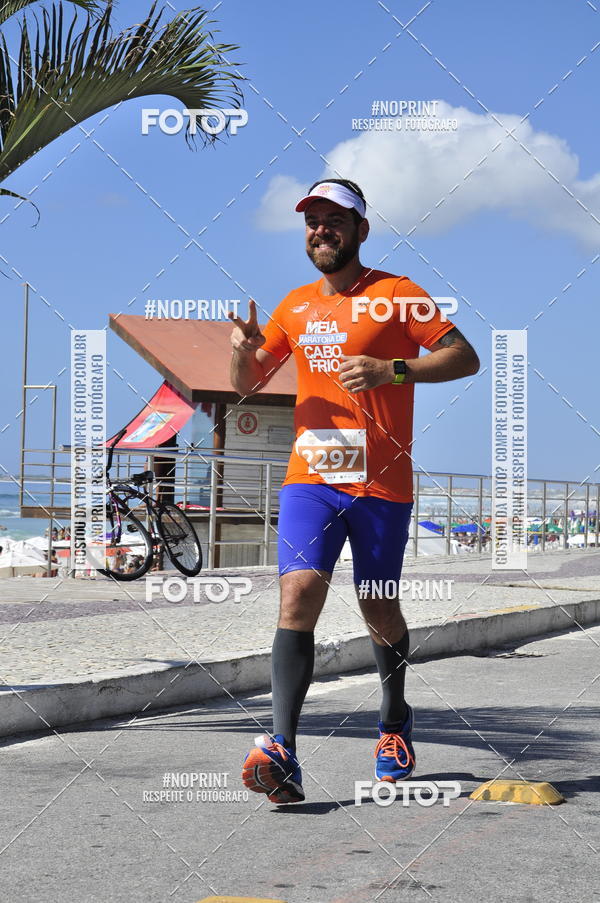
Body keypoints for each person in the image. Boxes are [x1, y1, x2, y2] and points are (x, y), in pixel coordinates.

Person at [229, 178, 480, 803]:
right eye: (312, 220)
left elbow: (465, 357)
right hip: (311, 475)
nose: (321, 230)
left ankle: (395, 722)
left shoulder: (398, 295)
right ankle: (283, 751)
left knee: (378, 607)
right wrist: (241, 351)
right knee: (299, 593)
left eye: (334, 220)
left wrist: (392, 368)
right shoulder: (294, 306)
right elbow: (248, 385)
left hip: (381, 480)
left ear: (361, 230)